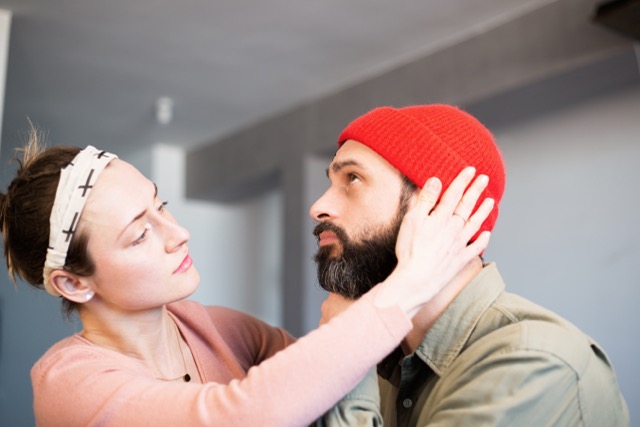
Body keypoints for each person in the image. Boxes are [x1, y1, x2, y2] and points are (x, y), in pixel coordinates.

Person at [0, 128, 494, 427]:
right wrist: (407, 286)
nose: (179, 234)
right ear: (73, 284)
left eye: (162, 206)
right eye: (139, 235)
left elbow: (330, 381)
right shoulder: (70, 384)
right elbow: (244, 416)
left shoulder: (218, 330)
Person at [310, 104, 630, 426]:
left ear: (438, 209)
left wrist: (349, 350)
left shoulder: (533, 361)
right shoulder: (382, 371)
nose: (318, 207)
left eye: (352, 178)